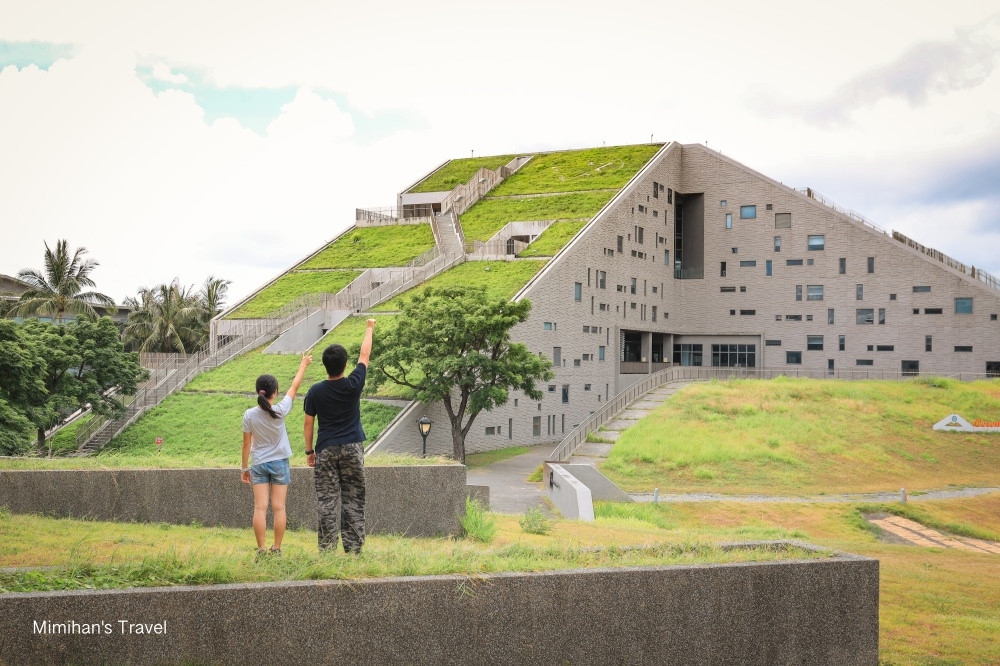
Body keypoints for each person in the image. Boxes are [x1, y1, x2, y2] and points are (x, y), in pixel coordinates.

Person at [304, 318, 375, 553]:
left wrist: (309, 451)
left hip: (325, 449)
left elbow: (308, 423)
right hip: (352, 448)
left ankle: (326, 550)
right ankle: (353, 551)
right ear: (345, 365)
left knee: (327, 501)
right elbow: (364, 355)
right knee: (354, 499)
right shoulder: (353, 384)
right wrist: (369, 328)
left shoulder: (315, 391)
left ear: (325, 365)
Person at [241, 353, 313, 558]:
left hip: (258, 464)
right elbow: (295, 386)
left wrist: (244, 468)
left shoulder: (249, 414)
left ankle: (261, 550)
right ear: (275, 392)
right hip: (280, 463)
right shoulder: (280, 410)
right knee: (279, 508)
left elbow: (246, 444)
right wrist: (303, 364)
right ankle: (277, 549)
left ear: (259, 392)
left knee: (260, 508)